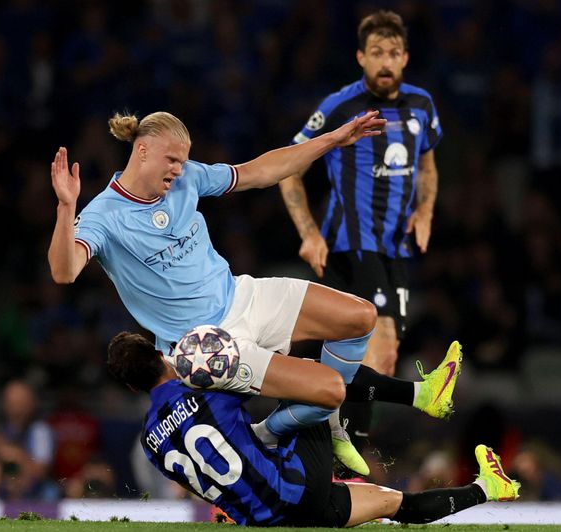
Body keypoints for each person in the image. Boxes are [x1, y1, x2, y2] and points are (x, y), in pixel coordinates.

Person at [48, 109, 460, 476]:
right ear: (142, 150)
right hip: (208, 345)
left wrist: (333, 139)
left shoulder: (188, 178)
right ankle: (272, 432)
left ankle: (327, 423)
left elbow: (261, 171)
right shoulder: (103, 215)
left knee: (360, 317)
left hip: (243, 294)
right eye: (171, 159)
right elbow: (64, 272)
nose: (178, 169)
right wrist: (67, 208)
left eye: (183, 160)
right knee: (331, 390)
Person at [107, 331, 520, 527]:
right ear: (160, 355)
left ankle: (489, 486)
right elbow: (272, 379)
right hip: (297, 486)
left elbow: (205, 480)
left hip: (265, 516)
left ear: (132, 387)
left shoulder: (150, 442)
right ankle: (418, 396)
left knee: (394, 503)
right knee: (315, 375)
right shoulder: (203, 392)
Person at [278, 10, 442, 447]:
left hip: (395, 250)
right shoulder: (340, 106)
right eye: (376, 52)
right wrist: (309, 233)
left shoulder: (422, 106)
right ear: (360, 58)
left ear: (405, 58)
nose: (385, 61)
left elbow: (427, 164)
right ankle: (339, 452)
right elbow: (289, 169)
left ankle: (337, 445)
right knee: (376, 348)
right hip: (349, 245)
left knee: (382, 360)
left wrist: (425, 211)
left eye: (393, 53)